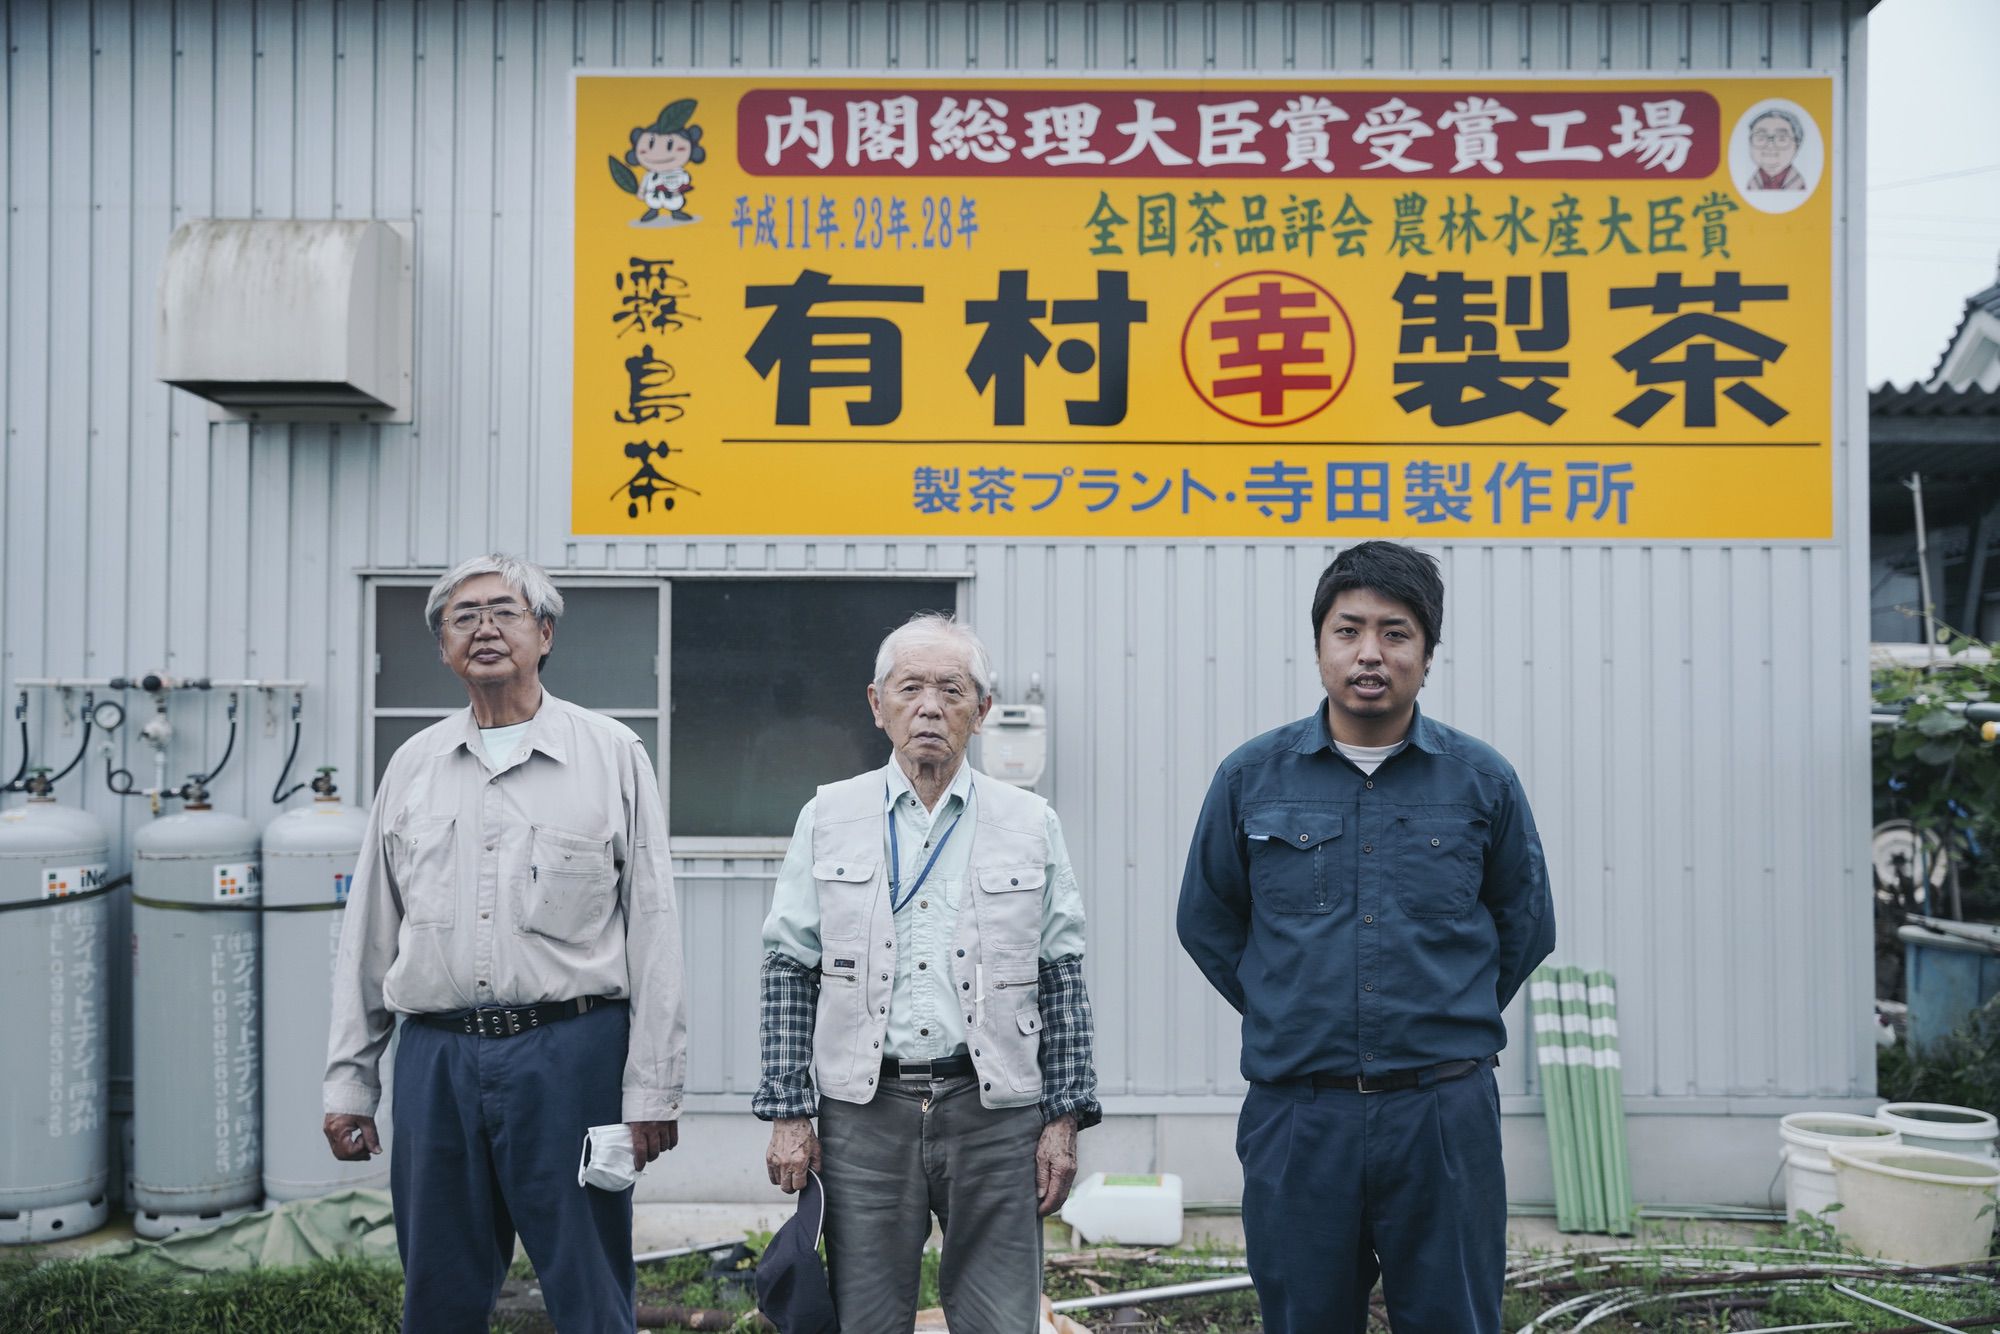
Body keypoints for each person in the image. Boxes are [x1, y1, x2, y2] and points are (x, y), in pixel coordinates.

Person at [1177, 541, 1555, 1334]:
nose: (1370, 653)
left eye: (1396, 631)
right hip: (1299, 1117)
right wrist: (1293, 1004)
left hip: (1442, 1116)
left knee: (1456, 1318)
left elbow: (1524, 925)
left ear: (1427, 650)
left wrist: (1442, 1011)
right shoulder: (1252, 779)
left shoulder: (1482, 782)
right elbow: (1209, 920)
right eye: (1348, 631)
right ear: (1319, 646)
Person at [323, 553, 687, 1333]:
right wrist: (350, 1083)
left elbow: (654, 927)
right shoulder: (413, 765)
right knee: (439, 1292)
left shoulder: (610, 753)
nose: (484, 628)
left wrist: (651, 1089)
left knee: (589, 1289)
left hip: (572, 1055)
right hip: (437, 1059)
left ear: (544, 633)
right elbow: (369, 934)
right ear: (443, 648)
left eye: (505, 611)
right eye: (464, 617)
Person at [755, 612, 1099, 1334]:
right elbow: (790, 965)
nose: (931, 706)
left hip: (994, 1110)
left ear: (984, 710)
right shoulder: (830, 814)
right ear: (878, 706)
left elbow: (1061, 971)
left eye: (952, 688)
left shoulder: (1029, 821)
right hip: (864, 1110)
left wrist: (1063, 1117)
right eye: (910, 687)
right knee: (868, 1319)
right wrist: (789, 1111)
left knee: (1001, 1320)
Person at [1743, 107, 1807, 191]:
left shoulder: (1801, 186)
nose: (1770, 146)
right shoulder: (1749, 185)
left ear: (1797, 146)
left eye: (1781, 139)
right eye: (1761, 137)